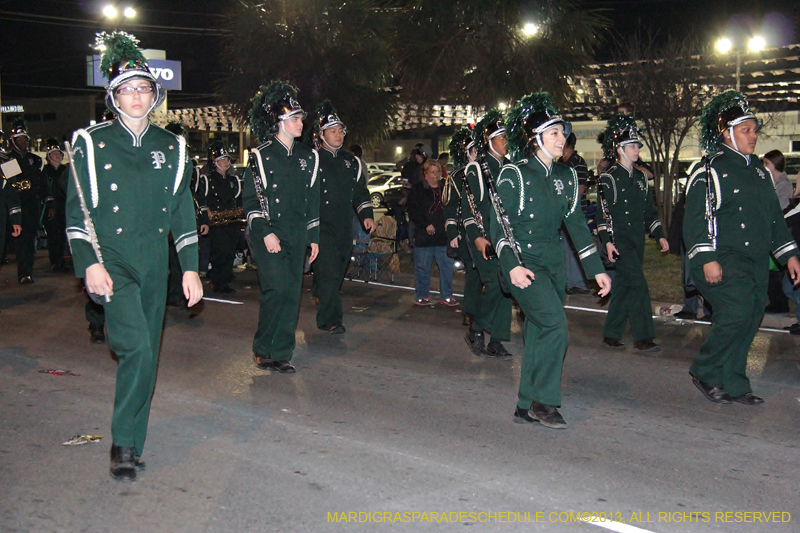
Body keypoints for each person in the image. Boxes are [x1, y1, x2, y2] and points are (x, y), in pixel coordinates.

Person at [67, 31, 202, 480]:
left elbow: (182, 210)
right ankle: (123, 442)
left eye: (144, 87)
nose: (136, 95)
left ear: (155, 94)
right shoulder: (91, 142)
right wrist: (89, 262)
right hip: (113, 261)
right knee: (138, 349)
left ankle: (133, 441)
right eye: (127, 89)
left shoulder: (173, 146)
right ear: (113, 97)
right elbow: (77, 210)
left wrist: (190, 269)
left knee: (149, 356)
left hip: (154, 264)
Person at [495, 92, 611, 428]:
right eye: (554, 133)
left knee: (538, 331)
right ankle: (544, 403)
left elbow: (576, 226)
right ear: (535, 138)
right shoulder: (514, 174)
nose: (562, 139)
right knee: (555, 325)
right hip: (524, 261)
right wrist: (512, 265)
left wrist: (596, 271)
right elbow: (498, 224)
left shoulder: (567, 176)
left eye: (562, 133)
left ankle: (524, 403)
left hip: (553, 264)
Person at [684, 90, 800, 405]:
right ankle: (705, 369)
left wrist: (789, 254)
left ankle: (735, 382)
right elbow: (694, 221)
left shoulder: (761, 172)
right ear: (727, 132)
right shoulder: (708, 170)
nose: (753, 136)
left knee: (750, 318)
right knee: (735, 312)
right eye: (746, 130)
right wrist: (707, 258)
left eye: (755, 130)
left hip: (755, 260)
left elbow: (775, 220)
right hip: (720, 257)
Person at [243, 80, 320, 374]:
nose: (300, 123)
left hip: (298, 233)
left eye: (301, 118)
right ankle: (263, 349)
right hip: (270, 233)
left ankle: (282, 351)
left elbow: (312, 200)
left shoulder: (308, 157)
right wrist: (265, 232)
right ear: (279, 121)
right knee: (275, 290)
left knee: (292, 292)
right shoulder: (261, 156)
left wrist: (313, 237)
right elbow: (251, 201)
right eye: (294, 118)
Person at [596, 114, 668, 352]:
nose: (637, 149)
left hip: (637, 241)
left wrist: (660, 235)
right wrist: (607, 242)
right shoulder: (608, 178)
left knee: (626, 285)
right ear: (620, 149)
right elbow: (602, 216)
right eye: (632, 145)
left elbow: (650, 211)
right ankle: (643, 337)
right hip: (620, 242)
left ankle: (611, 333)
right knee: (638, 285)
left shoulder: (639, 178)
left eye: (637, 145)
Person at [310, 100, 374, 334]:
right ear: (321, 134)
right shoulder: (312, 159)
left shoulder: (352, 162)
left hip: (343, 225)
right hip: (320, 225)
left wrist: (366, 214)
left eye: (340, 131)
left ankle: (321, 292)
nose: (338, 135)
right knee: (328, 272)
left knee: (337, 270)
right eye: (332, 131)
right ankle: (331, 319)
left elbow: (360, 191)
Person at [461, 109, 513, 359]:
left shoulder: (511, 168)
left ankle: (498, 339)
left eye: (507, 137)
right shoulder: (476, 168)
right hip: (484, 236)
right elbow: (468, 206)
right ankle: (477, 327)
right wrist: (478, 237)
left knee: (506, 285)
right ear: (488, 140)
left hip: (507, 238)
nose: (506, 141)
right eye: (501, 137)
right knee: (493, 282)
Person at [7, 118, 53, 284]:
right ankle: (23, 272)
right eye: (19, 139)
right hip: (17, 206)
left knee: (31, 239)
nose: (23, 142)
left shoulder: (36, 159)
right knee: (20, 241)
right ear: (13, 141)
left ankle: (29, 268)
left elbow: (43, 183)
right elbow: (12, 184)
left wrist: (49, 203)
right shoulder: (9, 159)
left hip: (33, 205)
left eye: (25, 139)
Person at [443, 127, 481, 327]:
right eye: (475, 150)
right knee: (474, 270)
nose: (478, 154)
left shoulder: (491, 172)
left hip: (490, 231)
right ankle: (470, 312)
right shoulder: (458, 177)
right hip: (466, 232)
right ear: (467, 153)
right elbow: (450, 208)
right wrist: (452, 232)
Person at [408, 159, 457, 306]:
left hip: (442, 236)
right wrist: (425, 224)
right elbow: (413, 211)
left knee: (447, 267)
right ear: (425, 174)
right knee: (422, 267)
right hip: (424, 237)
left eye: (437, 172)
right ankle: (422, 295)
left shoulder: (446, 189)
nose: (435, 176)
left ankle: (446, 295)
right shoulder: (417, 189)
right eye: (432, 172)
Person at [204, 141, 241, 293]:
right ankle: (216, 279)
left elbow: (237, 200)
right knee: (220, 252)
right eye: (223, 159)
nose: (227, 162)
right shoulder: (207, 180)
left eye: (228, 159)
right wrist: (206, 210)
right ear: (215, 161)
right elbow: (202, 199)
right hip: (217, 223)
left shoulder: (233, 181)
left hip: (231, 222)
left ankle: (224, 280)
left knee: (230, 251)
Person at [559, 132, 591, 294]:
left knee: (574, 246)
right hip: (561, 213)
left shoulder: (577, 162)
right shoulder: (560, 163)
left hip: (574, 212)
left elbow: (579, 189)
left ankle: (578, 282)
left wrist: (567, 206)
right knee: (564, 247)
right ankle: (569, 281)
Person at [762, 150, 792, 314]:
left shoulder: (784, 185)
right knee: (770, 270)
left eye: (766, 163)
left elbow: (776, 208)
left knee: (776, 271)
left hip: (778, 233)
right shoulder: (771, 184)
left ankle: (779, 303)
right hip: (769, 233)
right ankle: (775, 302)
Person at [42, 139, 70, 272]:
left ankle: (65, 260)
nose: (57, 155)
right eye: (54, 153)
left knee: (65, 234)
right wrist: (49, 205)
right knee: (54, 235)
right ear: (48, 157)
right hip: (52, 207)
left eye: (59, 153)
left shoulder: (66, 170)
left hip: (65, 206)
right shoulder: (45, 171)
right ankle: (55, 261)